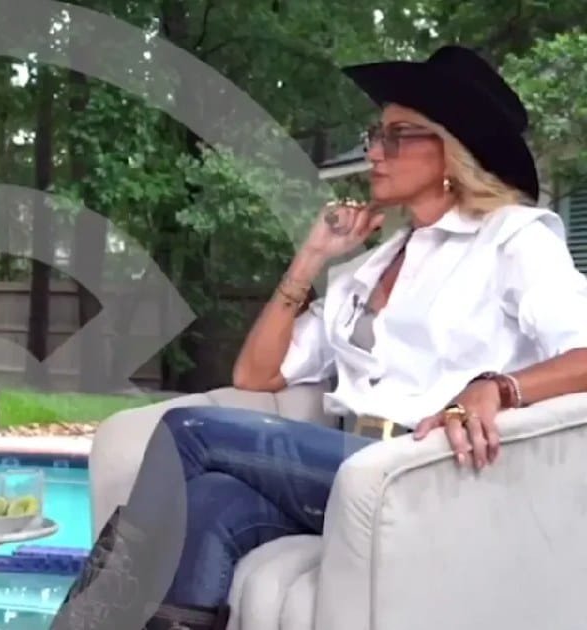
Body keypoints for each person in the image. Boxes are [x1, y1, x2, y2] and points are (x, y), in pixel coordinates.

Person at [51, 45, 587, 630]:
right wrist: (310, 257)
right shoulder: (372, 267)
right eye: (375, 135)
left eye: (396, 136)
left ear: (450, 151)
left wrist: (497, 386)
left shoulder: (514, 239)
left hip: (427, 472)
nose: (373, 152)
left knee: (191, 432)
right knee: (206, 505)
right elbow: (256, 375)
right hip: (348, 472)